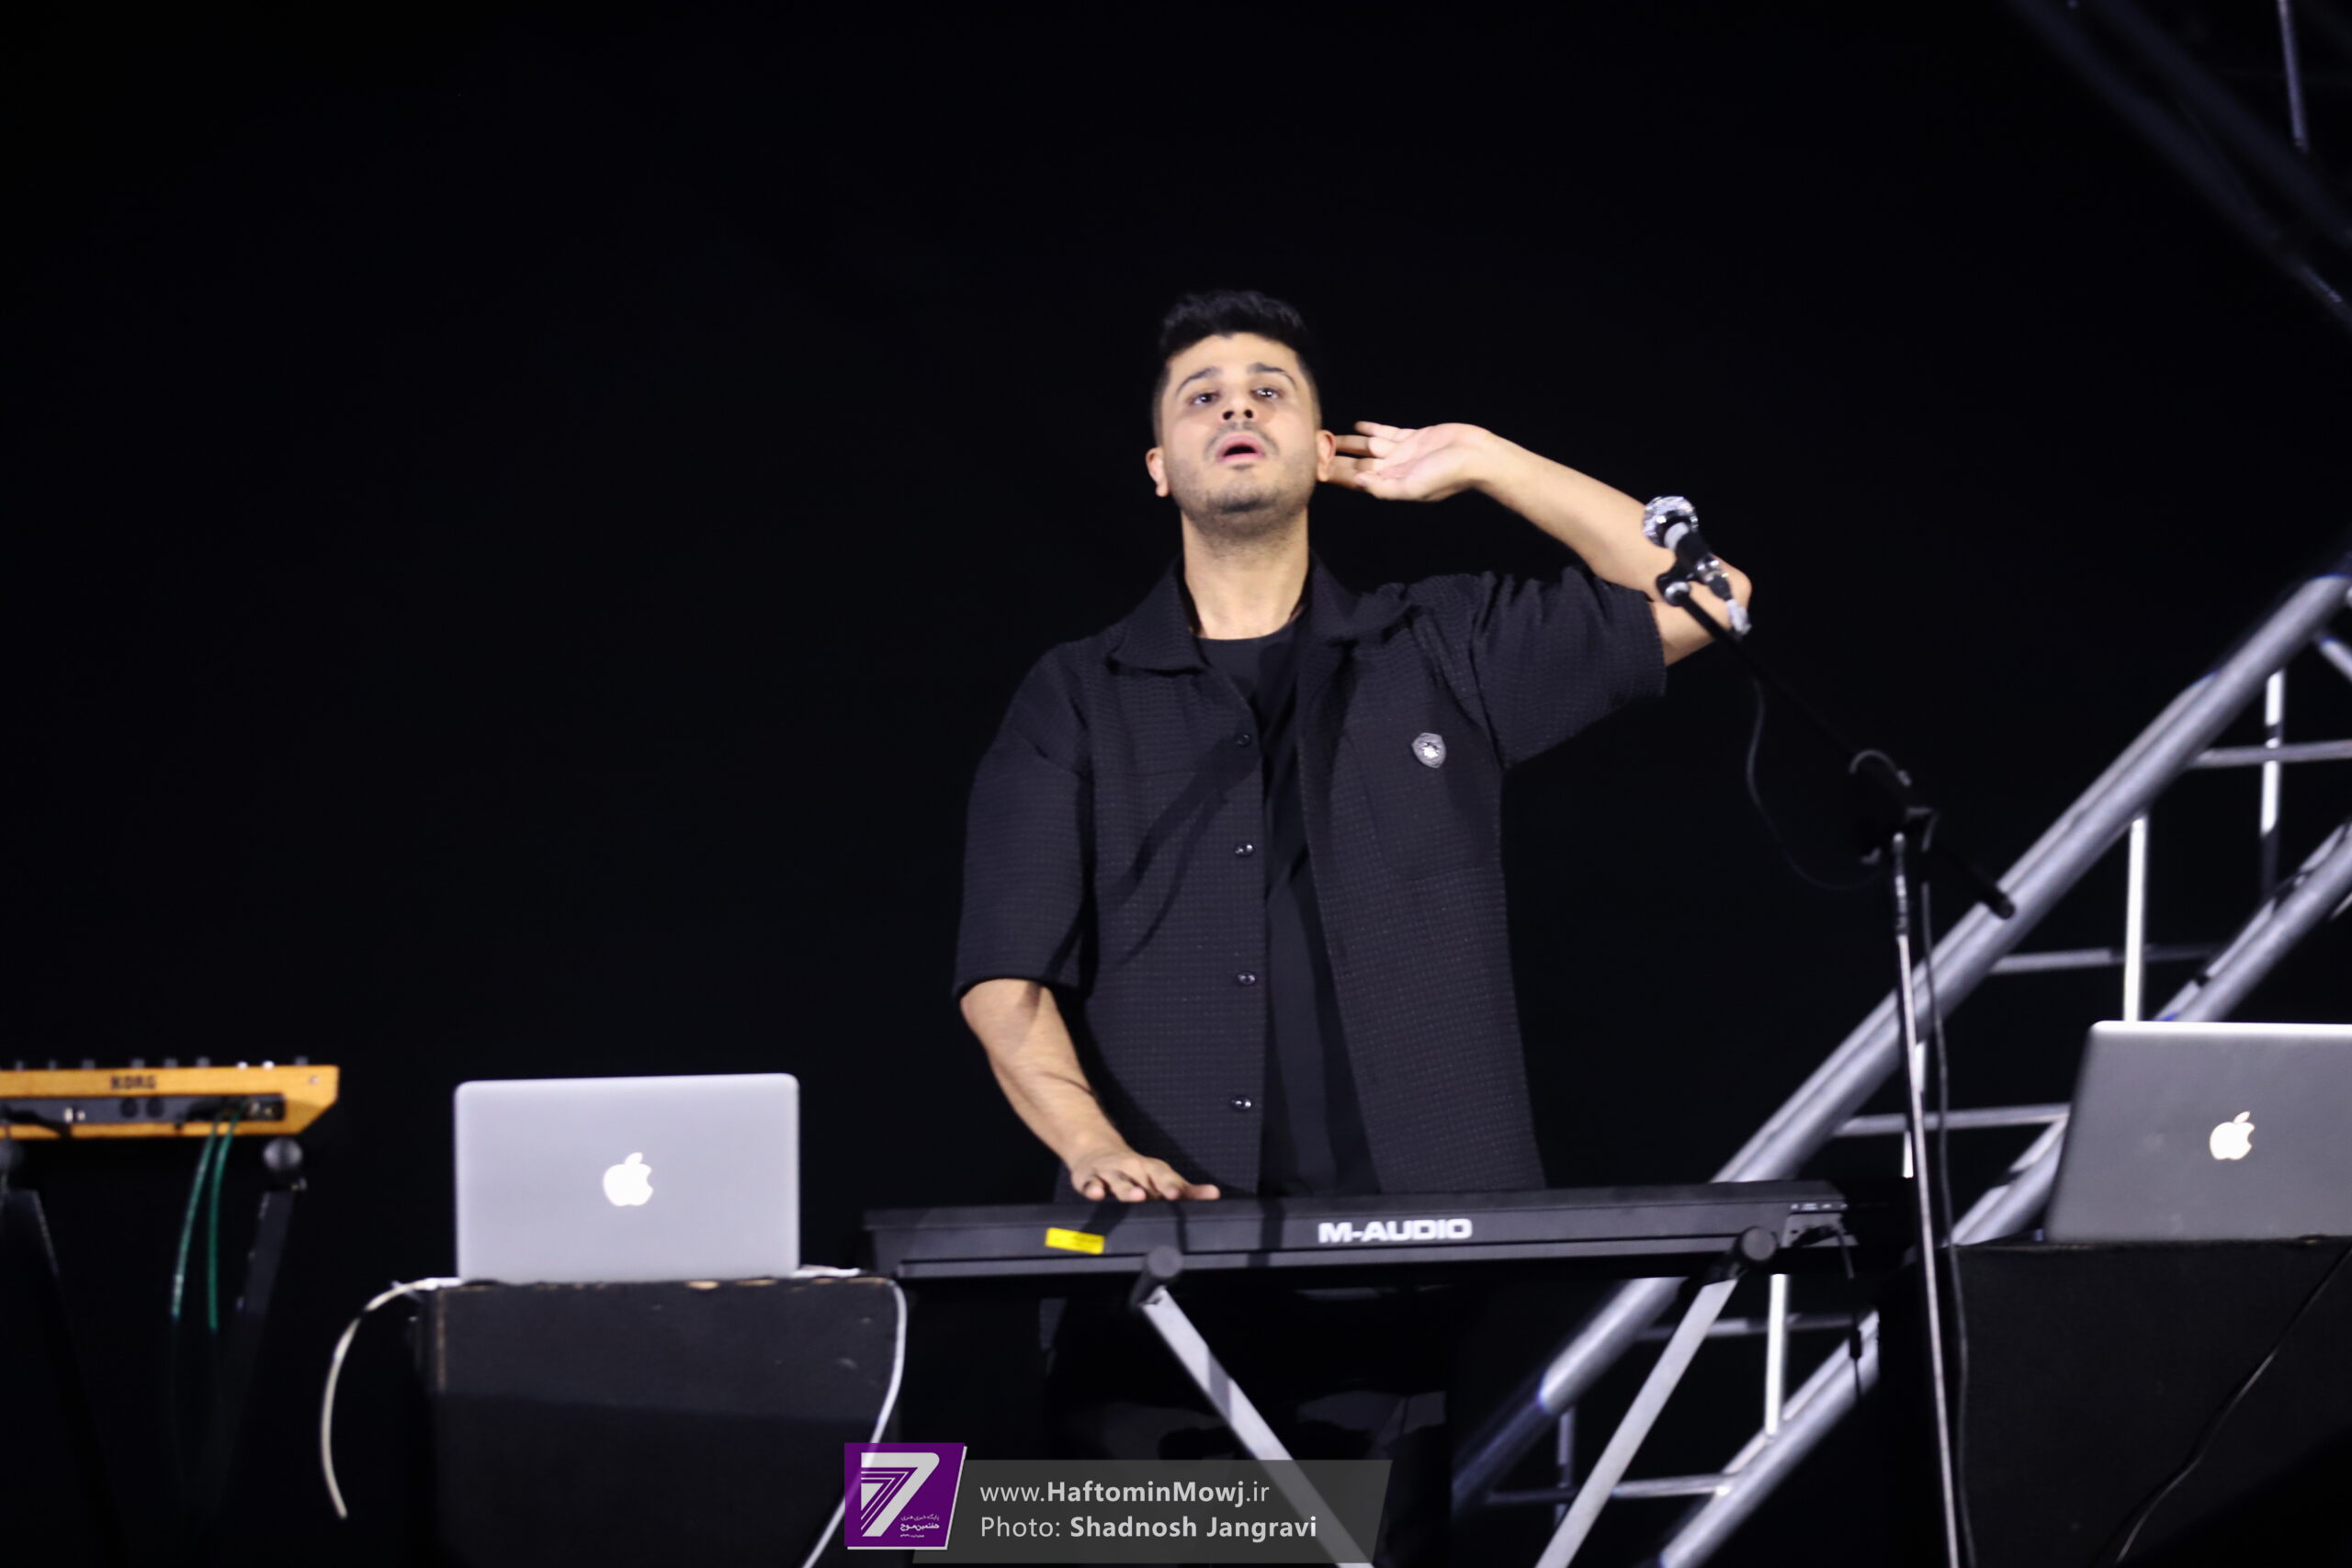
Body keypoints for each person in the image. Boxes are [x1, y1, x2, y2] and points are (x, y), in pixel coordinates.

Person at [952, 289, 1750, 1562]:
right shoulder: (1077, 695)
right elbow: (1006, 974)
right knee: (1106, 1543)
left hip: (1394, 1271)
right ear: (1159, 467)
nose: (1238, 407)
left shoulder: (1436, 645)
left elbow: (1708, 597)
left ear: (1326, 448)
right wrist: (1094, 1148)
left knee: (1357, 1543)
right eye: (1203, 396)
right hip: (1150, 1264)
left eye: (1270, 390)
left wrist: (1484, 458)